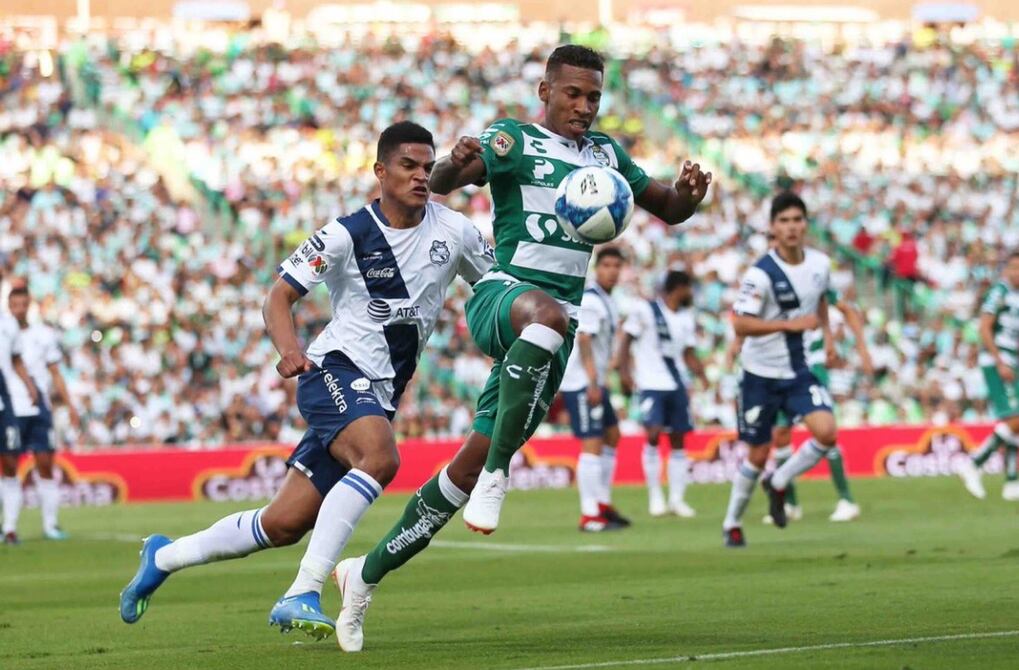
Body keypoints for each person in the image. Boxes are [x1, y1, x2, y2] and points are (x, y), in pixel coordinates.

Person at [328, 44, 710, 653]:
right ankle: (501, 473)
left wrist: (689, 194)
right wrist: (454, 163)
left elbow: (668, 208)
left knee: (462, 471)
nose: (584, 106)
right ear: (545, 91)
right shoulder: (513, 140)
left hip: (555, 332)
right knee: (544, 318)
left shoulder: (607, 156)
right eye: (573, 93)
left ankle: (362, 576)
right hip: (502, 296)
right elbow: (445, 183)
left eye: (593, 96)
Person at [118, 121, 494, 637]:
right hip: (333, 370)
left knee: (283, 523)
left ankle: (164, 557)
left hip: (380, 393)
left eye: (427, 167)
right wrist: (289, 349)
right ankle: (303, 590)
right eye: (408, 166)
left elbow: (494, 289)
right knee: (380, 458)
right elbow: (278, 295)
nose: (420, 176)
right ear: (380, 171)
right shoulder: (346, 234)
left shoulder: (455, 231)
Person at [721, 192, 835, 548]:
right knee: (757, 454)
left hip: (798, 371)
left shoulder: (820, 264)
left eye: (797, 220)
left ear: (806, 224)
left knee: (827, 432)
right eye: (783, 221)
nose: (791, 227)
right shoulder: (761, 273)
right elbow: (740, 323)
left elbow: (820, 300)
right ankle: (732, 522)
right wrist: (789, 325)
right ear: (773, 227)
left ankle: (780, 480)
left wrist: (828, 335)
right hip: (759, 375)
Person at [765, 288, 874, 523]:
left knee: (824, 431)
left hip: (812, 365)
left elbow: (847, 310)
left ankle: (846, 500)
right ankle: (790, 504)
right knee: (780, 433)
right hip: (783, 367)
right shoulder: (773, 280)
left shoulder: (816, 279)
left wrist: (862, 348)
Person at [618, 270, 707, 518]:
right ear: (679, 288)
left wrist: (702, 375)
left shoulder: (686, 318)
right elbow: (626, 340)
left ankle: (677, 500)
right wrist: (624, 371)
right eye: (689, 288)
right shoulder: (646, 310)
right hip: (650, 382)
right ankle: (655, 496)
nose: (691, 294)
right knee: (654, 434)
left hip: (676, 383)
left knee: (678, 438)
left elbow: (688, 353)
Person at [558, 246, 629, 532]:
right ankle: (589, 514)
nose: (612, 271)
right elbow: (585, 339)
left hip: (595, 381)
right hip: (583, 383)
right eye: (607, 265)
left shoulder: (607, 300)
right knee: (592, 442)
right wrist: (592, 381)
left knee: (612, 434)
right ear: (597, 268)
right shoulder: (591, 300)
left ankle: (602, 502)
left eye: (617, 266)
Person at [4, 286, 81, 541]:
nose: (19, 309)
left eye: (23, 304)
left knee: (46, 465)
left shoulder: (44, 334)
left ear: (30, 306)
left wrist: (70, 405)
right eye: (15, 305)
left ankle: (51, 526)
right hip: (11, 408)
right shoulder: (4, 332)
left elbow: (56, 373)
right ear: (8, 306)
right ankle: (10, 527)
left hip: (39, 407)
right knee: (9, 467)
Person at [958, 251, 1019, 501]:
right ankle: (974, 464)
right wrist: (999, 360)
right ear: (1006, 270)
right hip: (999, 360)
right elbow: (984, 326)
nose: (1017, 272)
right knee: (1015, 419)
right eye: (1014, 267)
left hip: (1012, 358)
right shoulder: (999, 292)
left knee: (1015, 421)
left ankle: (1012, 482)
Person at [0, 281, 40, 546]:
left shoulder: (9, 325)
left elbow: (15, 360)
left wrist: (29, 385)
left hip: (5, 402)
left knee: (10, 463)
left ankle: (10, 528)